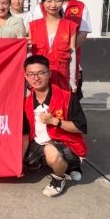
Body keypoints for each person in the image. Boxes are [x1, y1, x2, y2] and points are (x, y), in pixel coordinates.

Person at [22, 55, 87, 197]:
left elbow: (80, 127)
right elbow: (25, 134)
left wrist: (55, 121)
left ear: (49, 73)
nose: (36, 78)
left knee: (51, 151)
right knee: (28, 164)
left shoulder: (68, 98)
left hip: (67, 144)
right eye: (31, 74)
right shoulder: (26, 102)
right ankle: (58, 165)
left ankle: (60, 177)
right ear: (26, 76)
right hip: (39, 143)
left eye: (41, 73)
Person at [32, 0, 92, 97]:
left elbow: (82, 35)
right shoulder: (40, 7)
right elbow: (35, 35)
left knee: (67, 101)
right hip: (42, 66)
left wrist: (63, 50)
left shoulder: (80, 6)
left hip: (66, 65)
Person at [28, 0, 78, 92]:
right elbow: (29, 54)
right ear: (43, 3)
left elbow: (72, 55)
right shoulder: (33, 26)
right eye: (49, 1)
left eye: (57, 1)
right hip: (38, 78)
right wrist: (28, 77)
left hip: (61, 76)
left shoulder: (70, 26)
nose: (53, 5)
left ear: (62, 2)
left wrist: (72, 80)